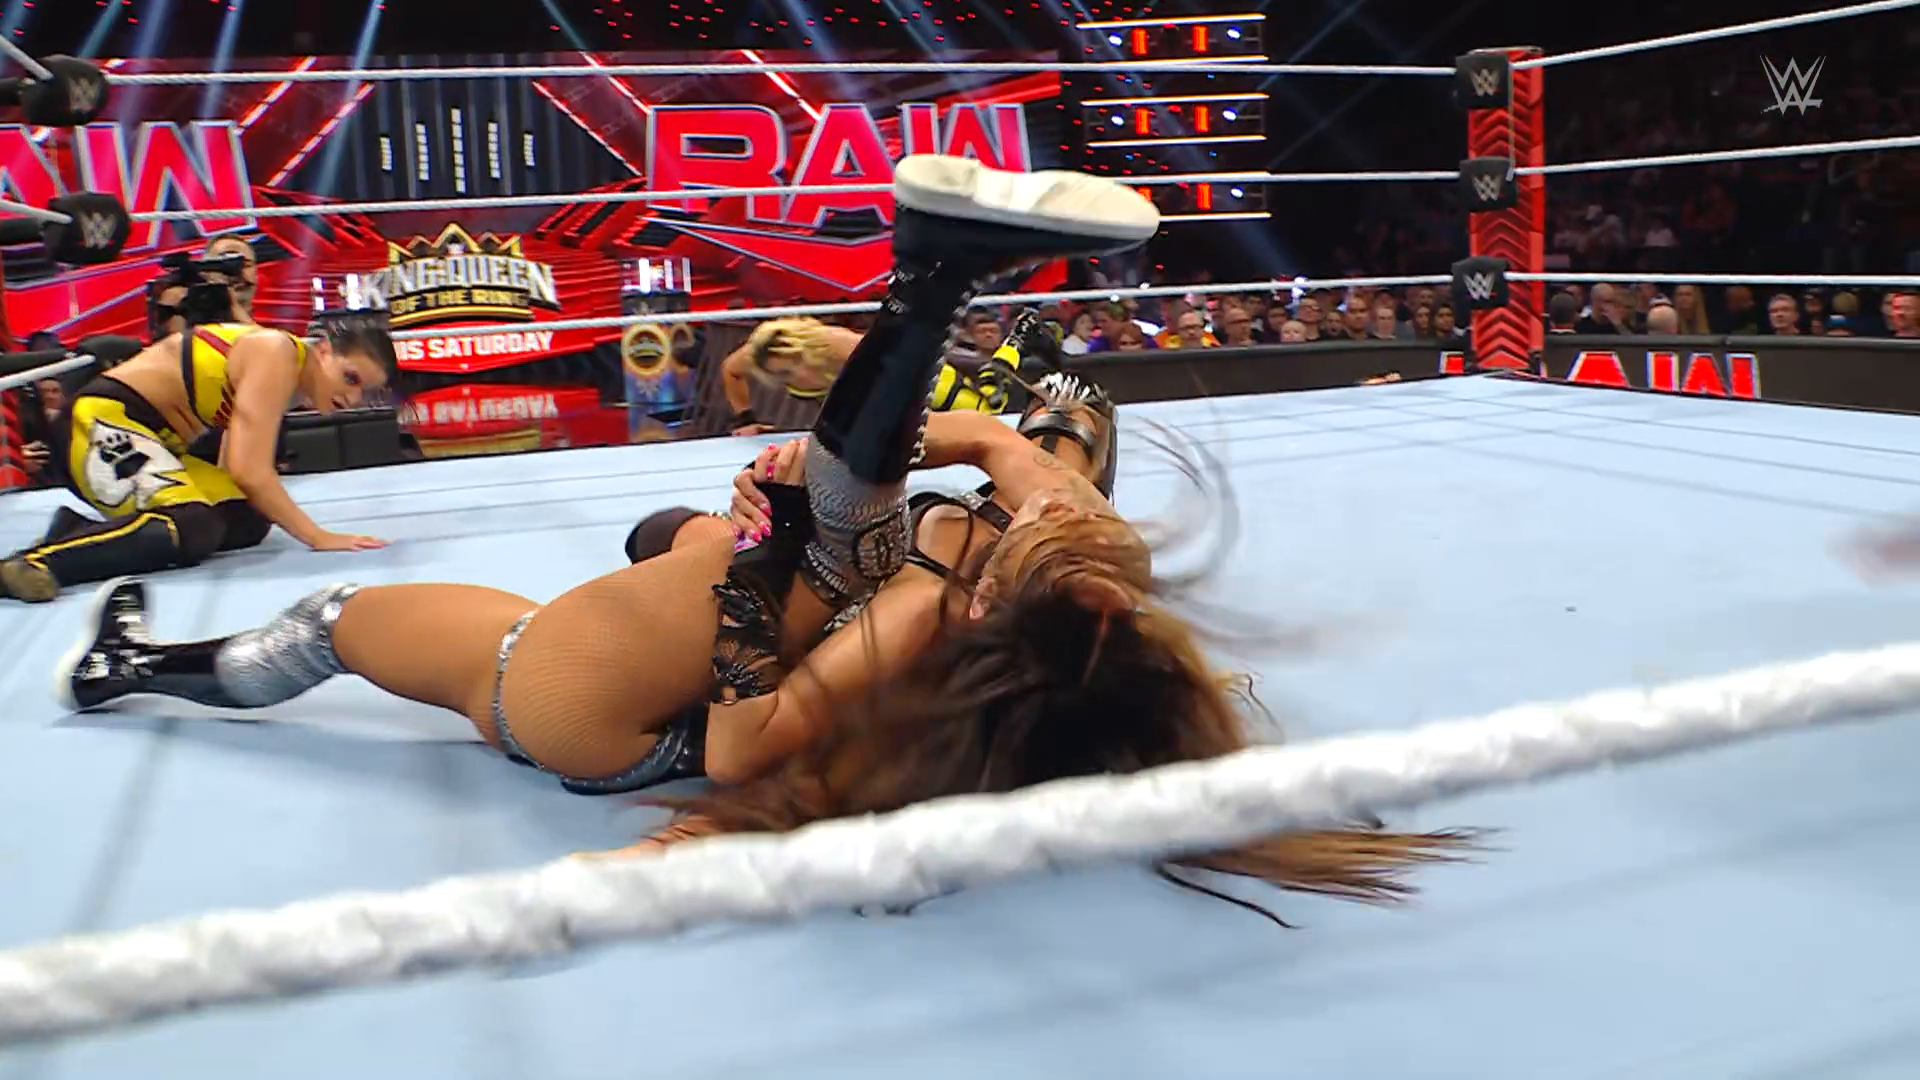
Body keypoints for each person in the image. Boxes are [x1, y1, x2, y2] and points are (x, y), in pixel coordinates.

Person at [58, 158, 1468, 908]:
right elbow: (996, 464)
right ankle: (922, 304)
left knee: (344, 626)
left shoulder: (946, 590)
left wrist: (754, 570)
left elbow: (744, 747)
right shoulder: (1081, 570)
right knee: (759, 536)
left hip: (580, 710)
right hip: (704, 674)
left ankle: (927, 289)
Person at [0, 310, 399, 603]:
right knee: (192, 523)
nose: (353, 398)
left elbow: (234, 460)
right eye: (350, 378)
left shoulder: (290, 373)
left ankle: (75, 529)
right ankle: (34, 562)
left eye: (365, 392)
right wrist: (318, 537)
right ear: (324, 350)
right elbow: (249, 470)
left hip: (156, 440)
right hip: (99, 424)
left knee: (246, 519)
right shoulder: (277, 352)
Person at [718, 306, 1058, 435]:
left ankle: (1020, 337)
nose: (788, 382)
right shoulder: (762, 353)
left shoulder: (840, 348)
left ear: (804, 354)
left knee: (987, 411)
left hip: (915, 374)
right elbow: (730, 370)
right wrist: (745, 419)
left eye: (790, 372)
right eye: (779, 377)